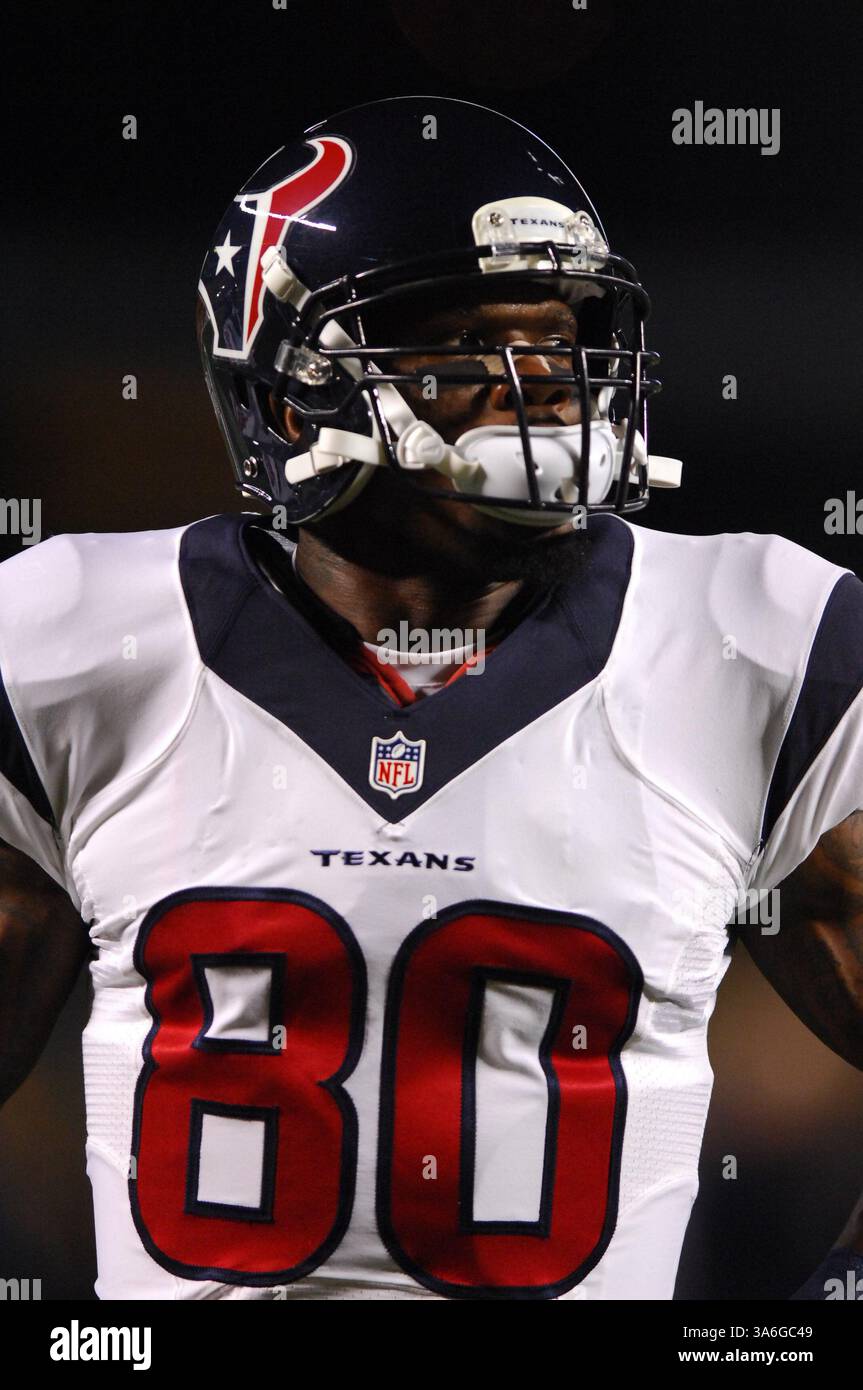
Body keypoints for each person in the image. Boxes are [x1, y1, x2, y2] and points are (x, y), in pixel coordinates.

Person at [0, 96, 860, 1301]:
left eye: (562, 340)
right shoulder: (76, 642)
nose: (545, 388)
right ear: (293, 392)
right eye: (467, 349)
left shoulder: (745, 640)